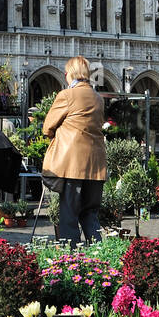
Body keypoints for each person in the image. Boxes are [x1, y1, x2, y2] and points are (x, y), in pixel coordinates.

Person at [41, 56, 107, 244]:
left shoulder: (67, 95)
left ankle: (71, 258)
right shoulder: (98, 98)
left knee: (69, 215)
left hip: (73, 165)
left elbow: (47, 127)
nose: (65, 75)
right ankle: (99, 254)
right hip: (96, 165)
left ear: (72, 73)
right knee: (90, 214)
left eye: (67, 71)